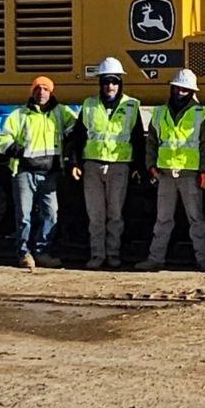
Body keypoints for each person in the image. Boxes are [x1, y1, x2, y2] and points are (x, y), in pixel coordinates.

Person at [66, 56, 143, 269]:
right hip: (92, 166)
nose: (110, 86)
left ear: (120, 83)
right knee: (96, 216)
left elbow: (137, 139)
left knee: (115, 214)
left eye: (114, 81)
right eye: (106, 82)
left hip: (119, 165)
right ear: (100, 83)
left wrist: (138, 168)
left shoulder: (131, 106)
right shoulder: (89, 105)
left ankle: (113, 254)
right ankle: (97, 255)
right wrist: (74, 163)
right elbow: (78, 137)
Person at [137, 68, 205, 272]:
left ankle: (203, 259)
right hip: (165, 175)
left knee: (196, 219)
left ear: (191, 91)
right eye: (178, 88)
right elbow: (152, 142)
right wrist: (151, 166)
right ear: (172, 88)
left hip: (190, 175)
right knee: (162, 219)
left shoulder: (202, 114)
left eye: (185, 89)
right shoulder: (159, 113)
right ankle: (155, 259)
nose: (181, 92)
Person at [0, 75, 77, 270]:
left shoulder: (61, 112)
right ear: (32, 92)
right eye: (38, 89)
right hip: (24, 172)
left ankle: (42, 252)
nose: (41, 93)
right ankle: (24, 253)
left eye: (45, 89)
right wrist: (20, 152)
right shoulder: (19, 115)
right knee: (24, 215)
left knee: (52, 214)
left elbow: (76, 129)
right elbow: (2, 140)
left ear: (51, 92)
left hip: (49, 173)